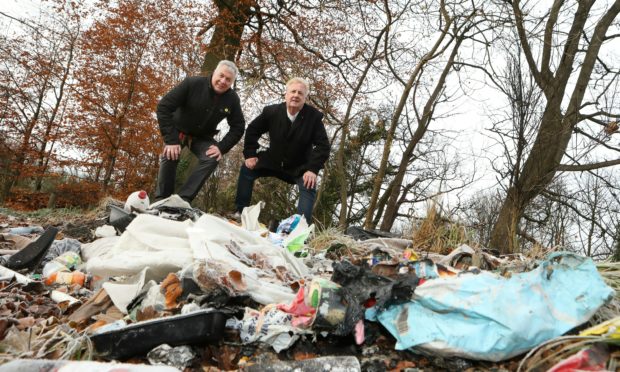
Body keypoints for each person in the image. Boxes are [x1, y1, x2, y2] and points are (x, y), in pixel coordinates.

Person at [234, 77, 330, 223]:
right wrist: (250, 154)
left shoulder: (314, 118)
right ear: (286, 94)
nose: (296, 95)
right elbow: (253, 130)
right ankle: (240, 212)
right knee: (247, 170)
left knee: (309, 183)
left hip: (300, 166)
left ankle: (301, 227)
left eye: (300, 93)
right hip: (273, 160)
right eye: (293, 91)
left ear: (305, 98)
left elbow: (323, 145)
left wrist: (312, 169)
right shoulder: (271, 112)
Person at [155, 60, 245, 203]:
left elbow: (239, 126)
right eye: (221, 76)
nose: (223, 81)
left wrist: (222, 147)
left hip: (202, 137)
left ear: (232, 82)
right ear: (214, 72)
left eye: (228, 80)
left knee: (212, 158)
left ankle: (182, 200)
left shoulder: (232, 99)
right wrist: (170, 140)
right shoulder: (192, 83)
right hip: (177, 131)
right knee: (169, 155)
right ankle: (161, 200)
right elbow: (163, 107)